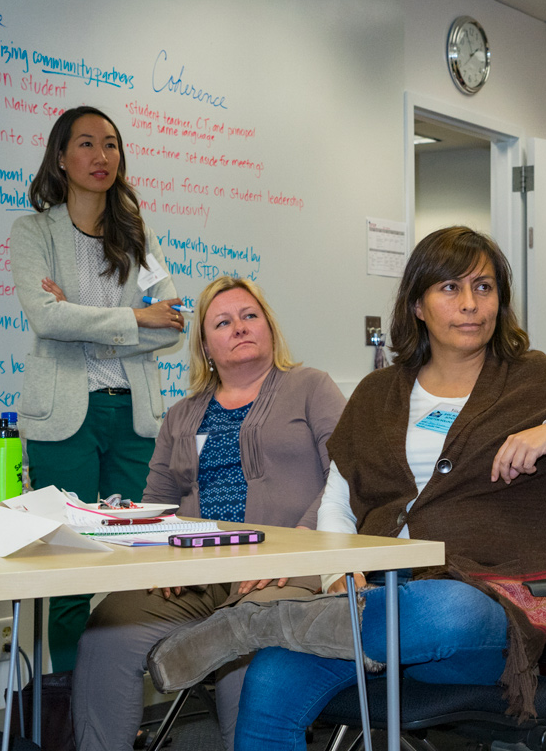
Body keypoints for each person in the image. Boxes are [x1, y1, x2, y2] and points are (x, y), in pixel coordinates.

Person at [143, 226, 546, 751]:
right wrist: (336, 571)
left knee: (445, 609)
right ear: (417, 305)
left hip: (487, 609)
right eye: (450, 289)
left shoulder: (535, 378)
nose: (470, 304)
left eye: (484, 288)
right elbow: (338, 498)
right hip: (374, 604)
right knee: (271, 678)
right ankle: (295, 627)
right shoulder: (379, 392)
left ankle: (257, 626)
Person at [72, 277, 344, 751]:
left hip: (287, 569)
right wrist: (161, 557)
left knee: (246, 655)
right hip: (196, 569)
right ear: (205, 346)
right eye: (223, 322)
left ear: (270, 328)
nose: (239, 327)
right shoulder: (182, 414)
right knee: (107, 632)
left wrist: (300, 546)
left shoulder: (310, 387)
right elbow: (157, 501)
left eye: (249, 316)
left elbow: (347, 472)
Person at [11, 105, 186, 672]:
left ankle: (116, 706)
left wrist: (80, 319)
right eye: (85, 144)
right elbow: (46, 320)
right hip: (65, 418)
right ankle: (63, 703)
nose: (101, 156)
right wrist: (133, 320)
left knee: (138, 560)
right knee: (69, 569)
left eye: (110, 144)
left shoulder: (139, 235)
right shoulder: (33, 231)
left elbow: (174, 322)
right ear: (60, 158)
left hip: (133, 417)